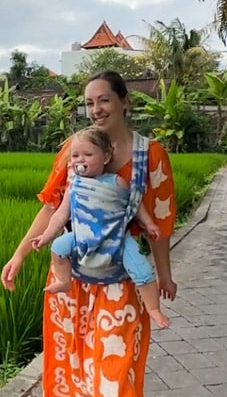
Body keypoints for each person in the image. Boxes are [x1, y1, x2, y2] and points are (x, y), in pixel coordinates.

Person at [1, 71, 177, 397]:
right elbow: (52, 209)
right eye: (90, 102)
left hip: (122, 289)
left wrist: (163, 274)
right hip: (77, 285)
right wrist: (20, 253)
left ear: (123, 101)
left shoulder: (148, 154)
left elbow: (158, 218)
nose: (96, 108)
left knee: (116, 378)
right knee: (84, 367)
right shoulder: (73, 150)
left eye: (104, 100)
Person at [30, 126, 170, 329]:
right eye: (75, 156)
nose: (80, 160)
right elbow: (61, 215)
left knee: (143, 270)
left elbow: (135, 203)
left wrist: (148, 223)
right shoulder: (74, 186)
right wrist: (45, 236)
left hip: (116, 240)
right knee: (58, 248)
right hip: (82, 238)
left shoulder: (116, 182)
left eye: (87, 154)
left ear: (106, 157)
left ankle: (153, 309)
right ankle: (63, 280)